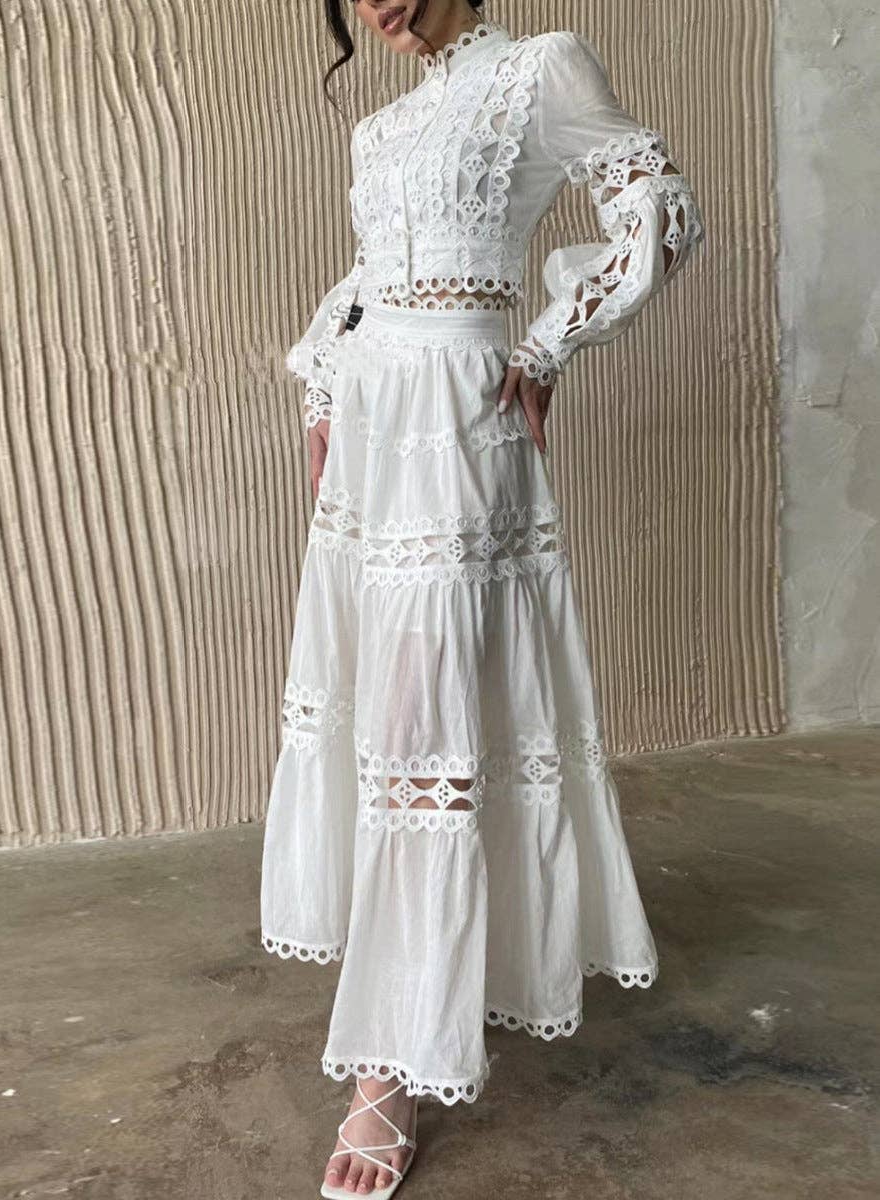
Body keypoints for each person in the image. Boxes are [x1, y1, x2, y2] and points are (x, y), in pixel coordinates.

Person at [260, 2, 704, 1196]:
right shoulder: (385, 127)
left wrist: (548, 342)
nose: (375, 7)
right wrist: (322, 383)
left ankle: (389, 1068)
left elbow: (657, 211)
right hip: (375, 426)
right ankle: (423, 988)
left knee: (430, 722)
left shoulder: (542, 69)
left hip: (463, 418)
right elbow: (373, 277)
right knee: (386, 715)